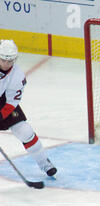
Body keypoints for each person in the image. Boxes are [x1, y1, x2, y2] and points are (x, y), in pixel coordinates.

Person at [0, 39, 56, 176]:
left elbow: (12, 101)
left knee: (25, 131)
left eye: (10, 61)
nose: (6, 64)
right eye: (3, 60)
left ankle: (45, 163)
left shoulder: (17, 76)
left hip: (4, 101)